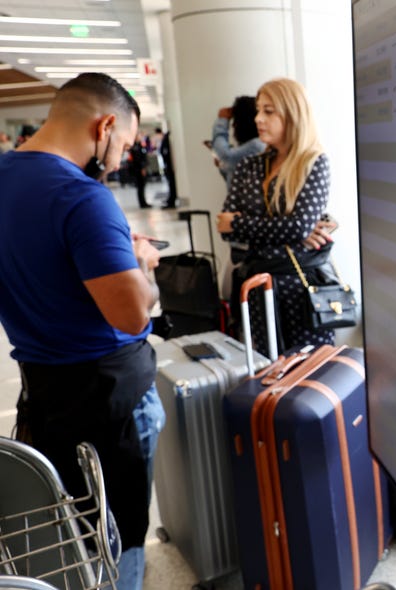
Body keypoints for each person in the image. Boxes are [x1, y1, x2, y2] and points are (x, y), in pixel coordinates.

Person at [0, 72, 165, 590]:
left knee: (72, 537)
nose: (119, 160)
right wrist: (141, 263)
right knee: (118, 541)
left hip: (43, 393)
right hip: (109, 401)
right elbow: (132, 315)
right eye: (123, 145)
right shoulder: (82, 198)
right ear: (106, 125)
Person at [217, 78, 336, 353]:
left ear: (293, 114)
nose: (259, 118)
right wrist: (289, 230)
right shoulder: (250, 165)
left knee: (311, 376)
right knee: (270, 372)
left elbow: (298, 226)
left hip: (303, 290)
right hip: (260, 289)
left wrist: (240, 222)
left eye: (269, 111)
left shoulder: (313, 162)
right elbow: (226, 230)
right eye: (259, 110)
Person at [211, 95, 267, 188]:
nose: (233, 125)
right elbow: (233, 182)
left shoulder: (257, 145)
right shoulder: (248, 148)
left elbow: (225, 156)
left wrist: (222, 121)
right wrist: (222, 166)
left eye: (235, 120)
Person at [129, 131, 149, 208]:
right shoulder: (135, 147)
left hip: (140, 169)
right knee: (140, 186)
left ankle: (144, 202)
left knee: (142, 186)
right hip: (138, 170)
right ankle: (142, 203)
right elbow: (138, 159)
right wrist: (142, 168)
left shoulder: (140, 145)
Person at [160, 130, 178, 208]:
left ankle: (172, 199)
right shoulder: (167, 138)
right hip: (169, 165)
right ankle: (171, 200)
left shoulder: (168, 138)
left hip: (170, 165)